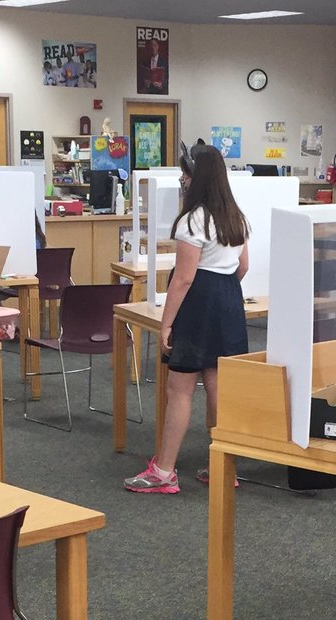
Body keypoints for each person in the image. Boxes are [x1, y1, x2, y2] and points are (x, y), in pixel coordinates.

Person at [124, 146, 249, 493]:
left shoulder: (193, 218)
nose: (182, 179)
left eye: (187, 174)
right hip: (229, 300)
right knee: (218, 387)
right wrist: (223, 295)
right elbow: (243, 266)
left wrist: (166, 323)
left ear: (199, 179)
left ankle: (164, 471)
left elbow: (183, 278)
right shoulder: (235, 216)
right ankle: (225, 467)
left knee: (179, 390)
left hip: (199, 303)